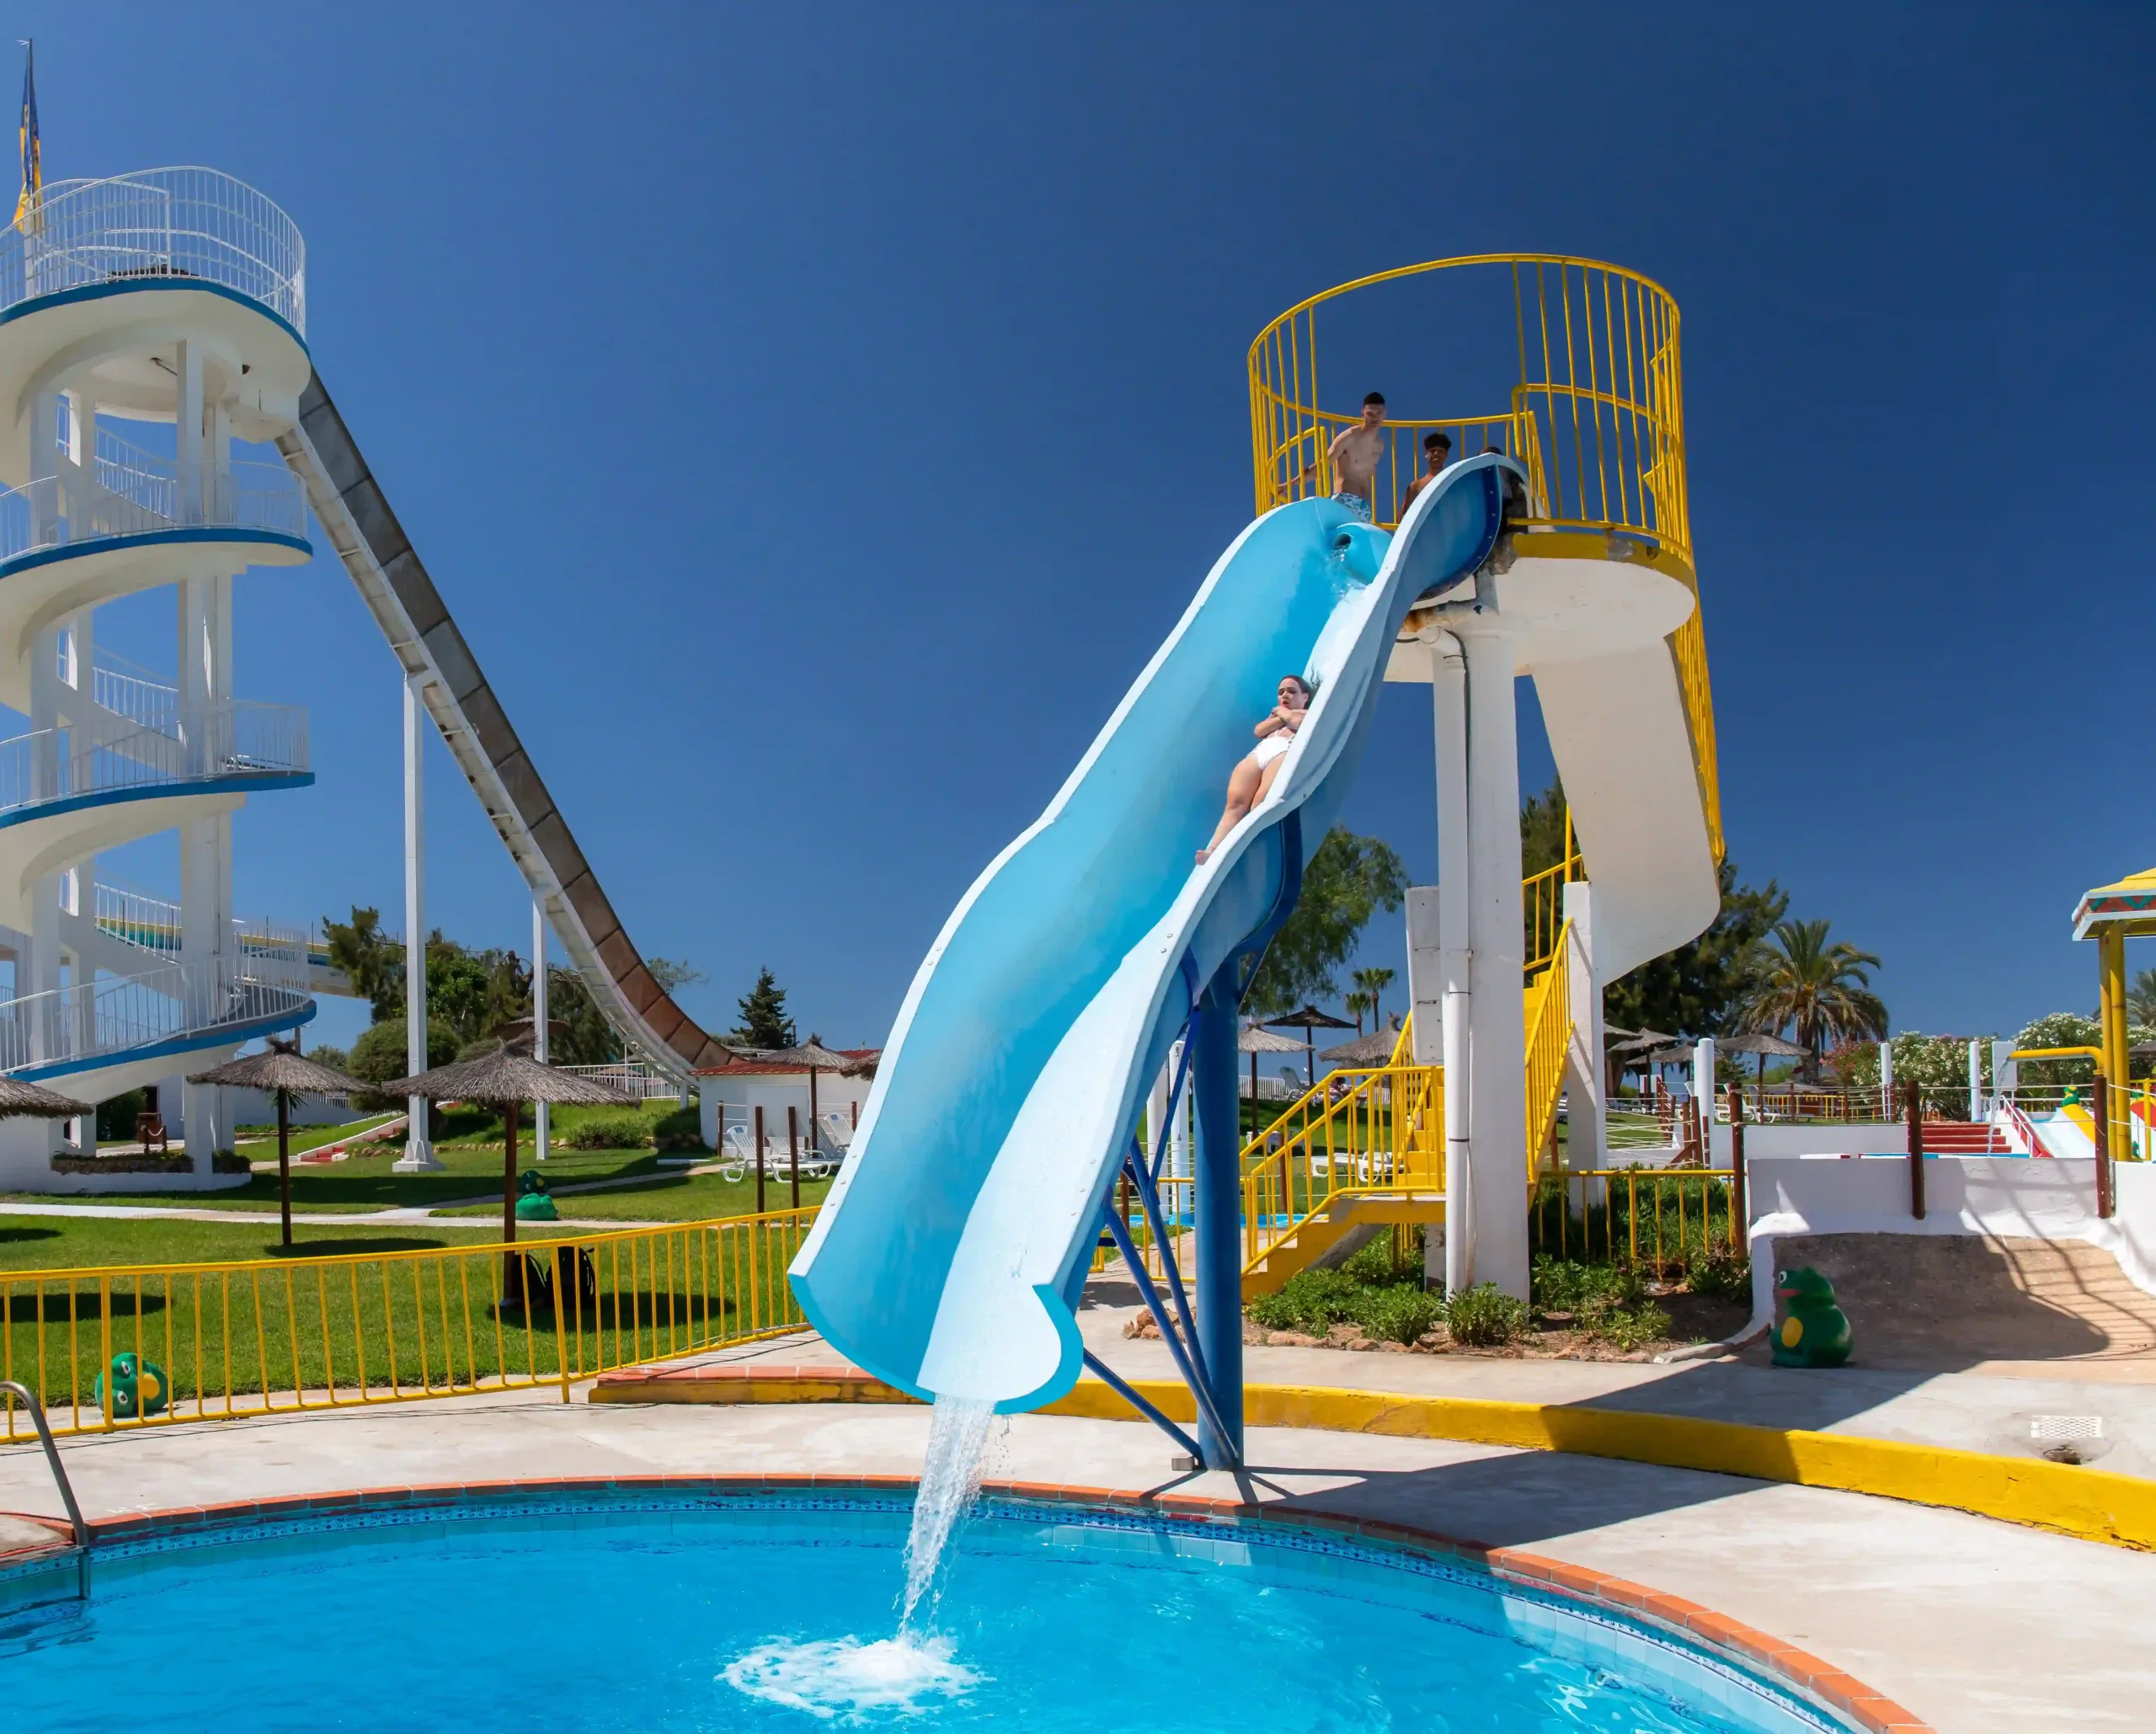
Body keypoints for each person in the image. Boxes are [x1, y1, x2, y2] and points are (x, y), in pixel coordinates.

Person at [1198, 675, 1313, 864]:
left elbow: (1298, 723)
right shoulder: (1282, 716)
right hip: (1260, 752)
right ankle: (1213, 849)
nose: (1285, 695)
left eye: (1292, 691)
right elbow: (1259, 731)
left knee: (1260, 803)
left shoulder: (1310, 713)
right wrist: (1287, 716)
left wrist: (1282, 713)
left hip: (1283, 749)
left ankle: (1247, 850)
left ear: (1305, 697)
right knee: (1235, 803)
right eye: (1281, 692)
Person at [1326, 392, 1386, 522]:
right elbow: (1322, 465)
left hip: (1363, 506)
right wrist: (1289, 484)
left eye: (1378, 413)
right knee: (1344, 541)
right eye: (1370, 413)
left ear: (1384, 414)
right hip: (1345, 500)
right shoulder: (1350, 437)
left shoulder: (1379, 446)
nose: (1375, 418)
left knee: (1364, 541)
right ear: (1363, 413)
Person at [1399, 429, 1453, 515]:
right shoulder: (1416, 487)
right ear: (1426, 454)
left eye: (1440, 451)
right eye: (1433, 450)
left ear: (1446, 455)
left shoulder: (1452, 482)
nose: (1436, 453)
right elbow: (1403, 519)